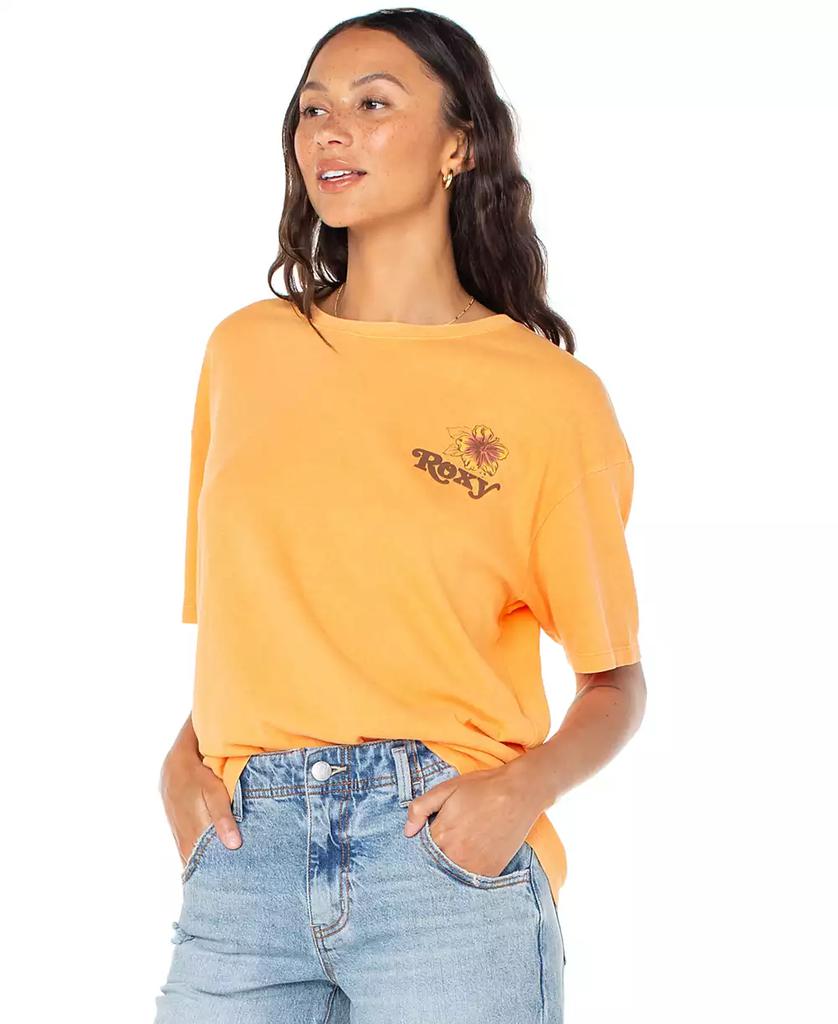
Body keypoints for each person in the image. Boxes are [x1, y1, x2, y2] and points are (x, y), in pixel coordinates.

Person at [155, 9, 646, 1023]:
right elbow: (256, 629)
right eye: (313, 110)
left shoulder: (547, 397)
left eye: (373, 104)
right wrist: (180, 762)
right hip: (245, 860)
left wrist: (514, 797)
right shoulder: (243, 354)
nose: (331, 130)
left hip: (442, 861)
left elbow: (613, 682)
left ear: (459, 145)